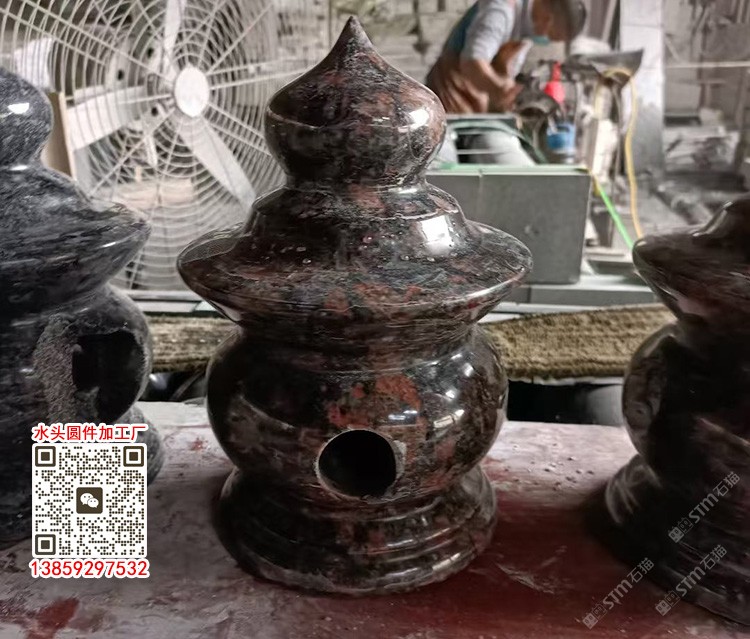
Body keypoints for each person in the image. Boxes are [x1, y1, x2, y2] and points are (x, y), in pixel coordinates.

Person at [427, 0, 587, 166]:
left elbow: (506, 73)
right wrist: (501, 88)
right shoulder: (500, 10)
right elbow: (472, 64)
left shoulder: (526, 33)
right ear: (548, 20)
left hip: (478, 108)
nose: (544, 38)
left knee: (490, 144)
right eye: (549, 35)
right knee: (443, 155)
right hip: (450, 97)